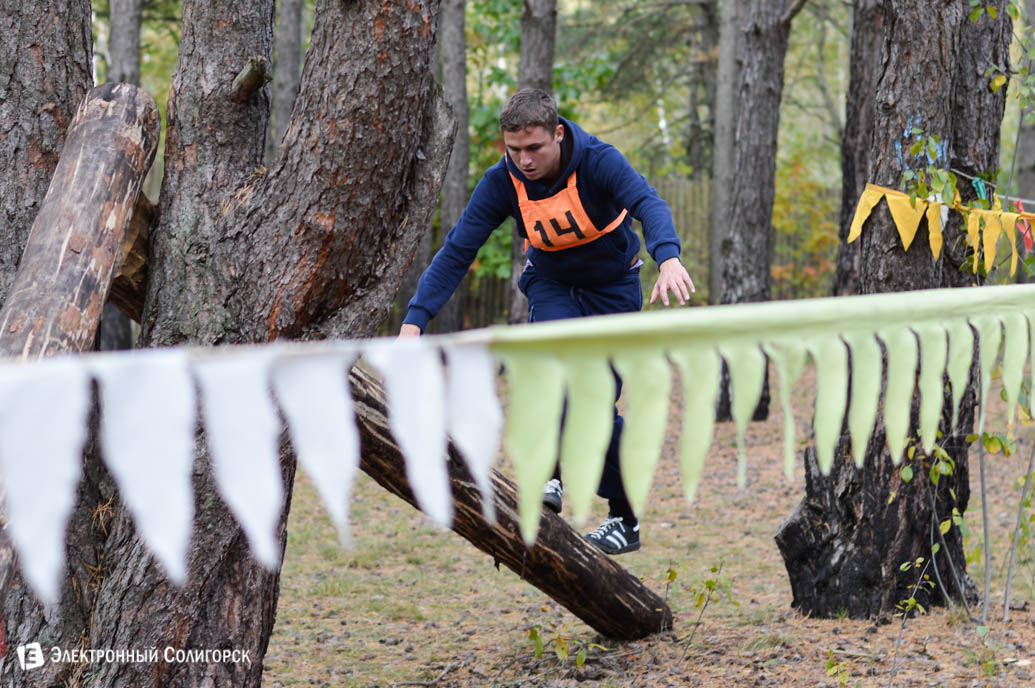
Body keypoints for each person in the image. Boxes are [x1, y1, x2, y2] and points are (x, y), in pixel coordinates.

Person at [399, 88, 694, 555]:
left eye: (534, 148)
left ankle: (625, 518)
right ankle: (550, 475)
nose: (524, 160)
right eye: (514, 150)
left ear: (558, 133)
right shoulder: (503, 181)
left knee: (595, 407)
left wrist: (669, 257)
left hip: (612, 292)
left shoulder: (599, 161)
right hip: (553, 286)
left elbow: (648, 203)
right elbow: (459, 248)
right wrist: (416, 320)